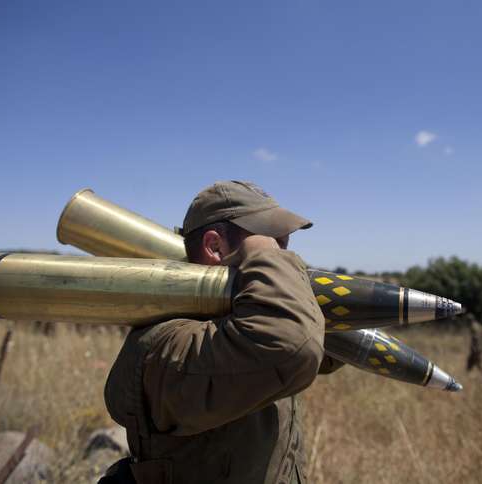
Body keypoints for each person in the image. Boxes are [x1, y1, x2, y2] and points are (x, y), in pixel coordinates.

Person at [101, 181, 337, 484]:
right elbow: (293, 345)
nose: (283, 253)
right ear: (215, 247)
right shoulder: (165, 347)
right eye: (271, 242)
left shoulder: (247, 316)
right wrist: (270, 262)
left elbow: (322, 349)